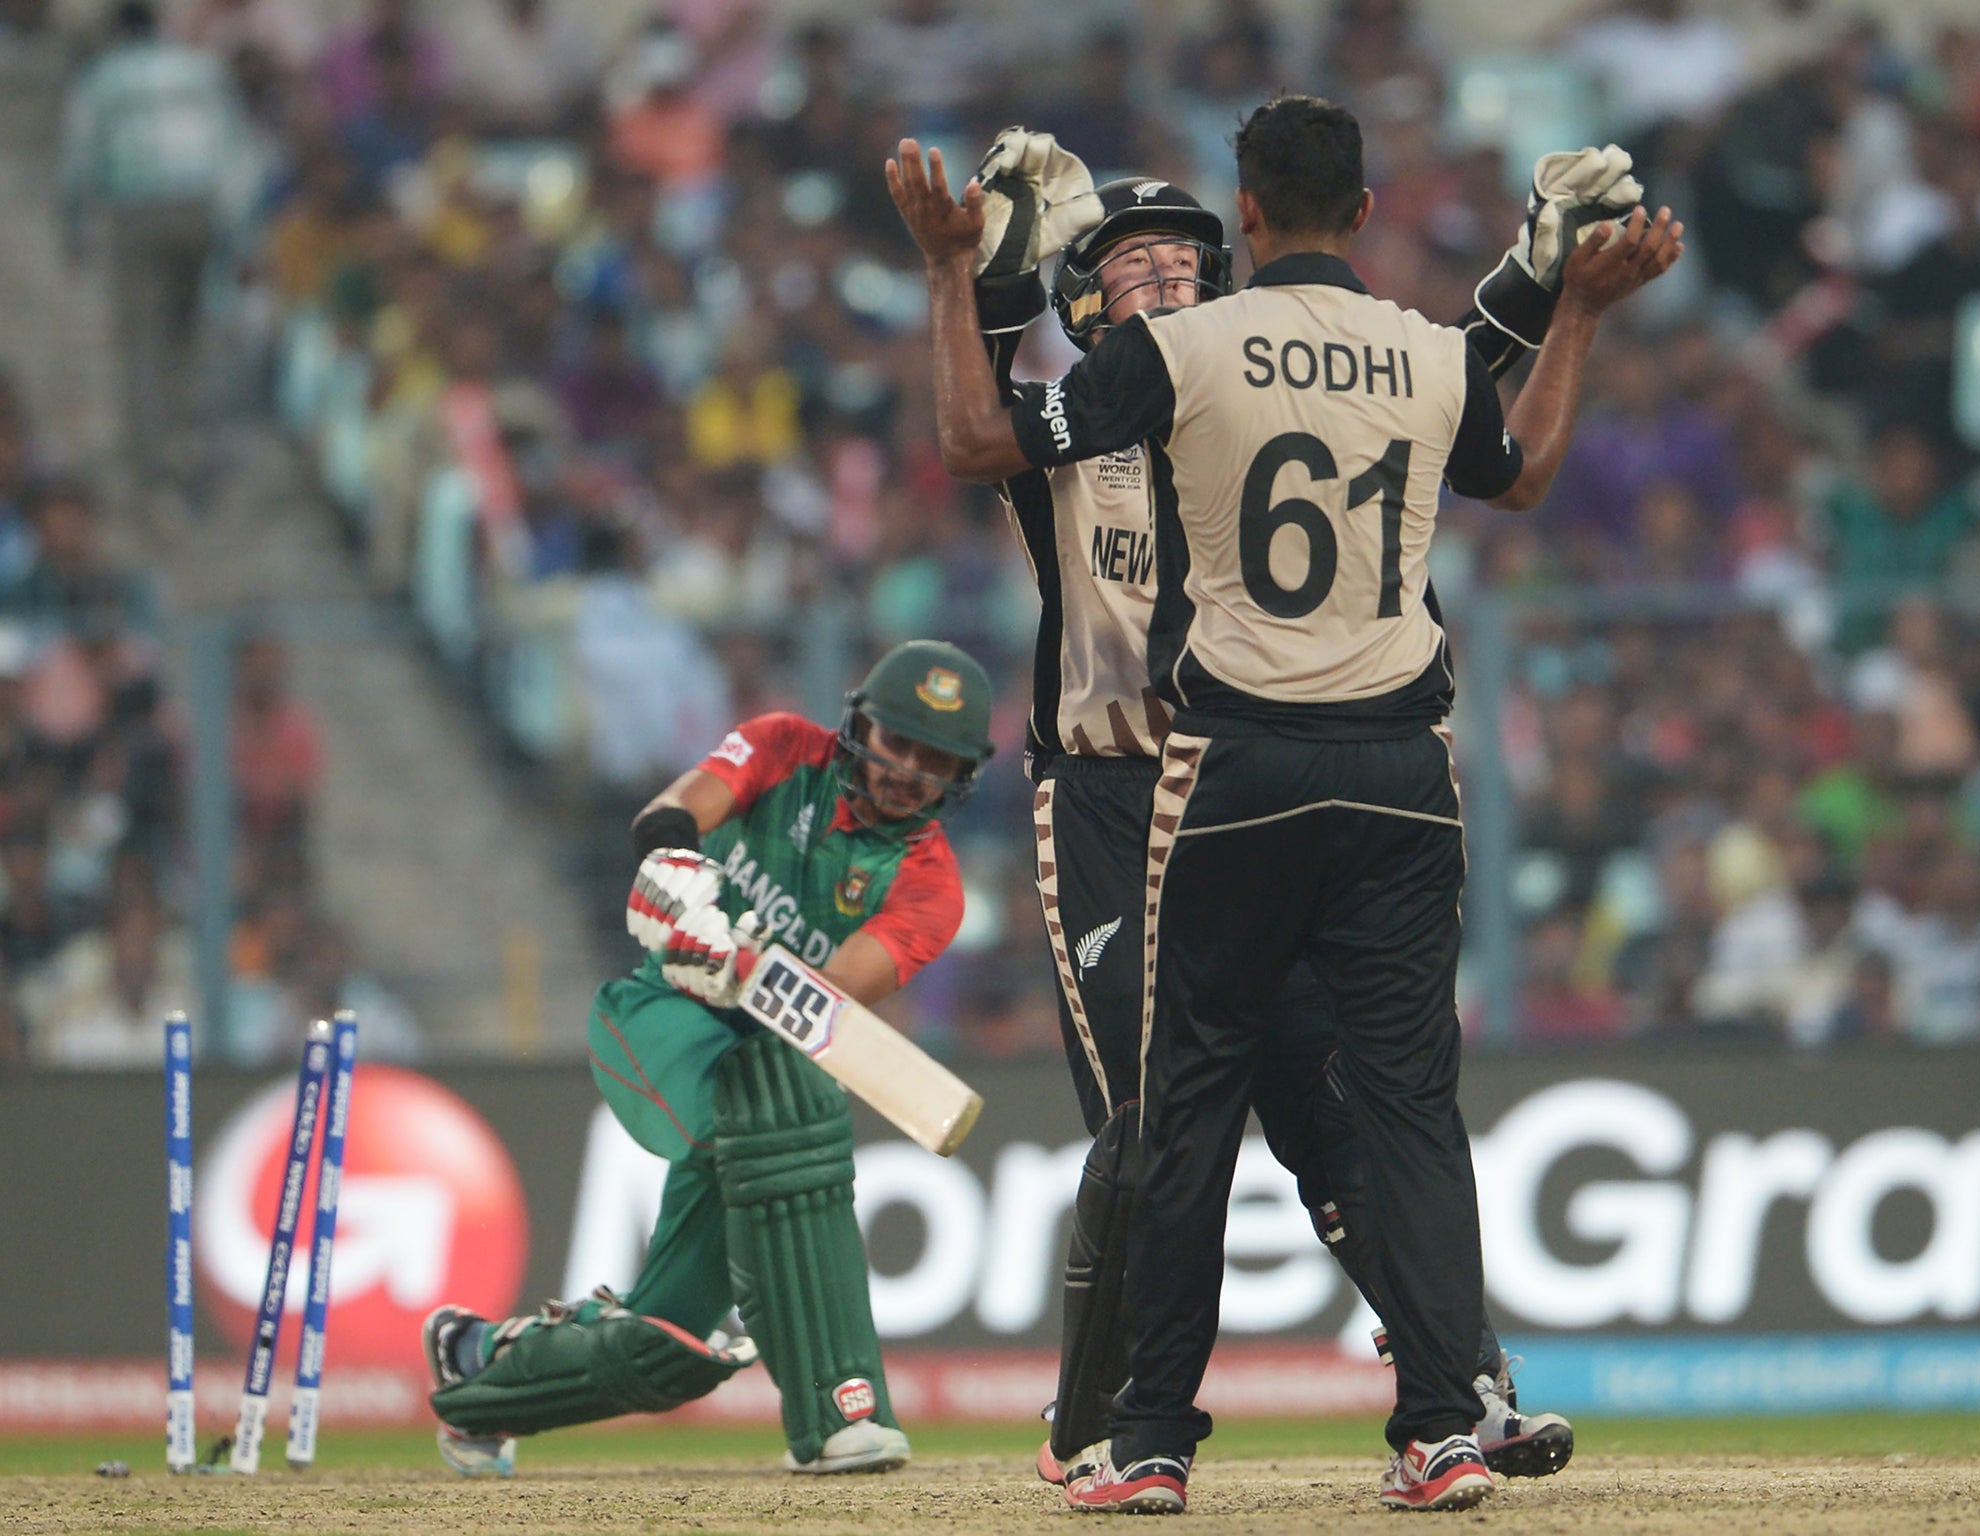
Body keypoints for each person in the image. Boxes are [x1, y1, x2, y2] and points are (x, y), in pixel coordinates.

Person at [891, 95, 1681, 1513]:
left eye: (1182, 255)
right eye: (1126, 266)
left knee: (1320, 1118)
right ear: (1083, 300)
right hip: (1128, 798)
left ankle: (1452, 1392)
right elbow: (1446, 379)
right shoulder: (1104, 407)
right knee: (1156, 1124)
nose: (1162, 275)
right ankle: (1103, 1421)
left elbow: (1423, 375)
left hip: (1229, 778)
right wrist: (991, 264)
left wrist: (1531, 280)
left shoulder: (1208, 368)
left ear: (1239, 240)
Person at [421, 639, 995, 1478]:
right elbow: (670, 815)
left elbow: (823, 1006)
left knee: (667, 1342)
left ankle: (478, 1368)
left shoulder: (931, 886)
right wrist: (673, 877)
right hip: (656, 1019)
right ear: (858, 725)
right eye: (895, 741)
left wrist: (739, 962)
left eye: (932, 757)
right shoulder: (784, 746)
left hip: (764, 1073)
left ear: (961, 773)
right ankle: (841, 1409)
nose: (906, 768)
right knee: (789, 1107)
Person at [59, 0, 254, 488]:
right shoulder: (199, 69)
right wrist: (239, 228)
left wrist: (74, 226)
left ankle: (152, 463)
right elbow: (233, 146)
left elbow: (80, 154)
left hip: (138, 211)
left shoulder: (103, 78)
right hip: (199, 204)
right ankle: (201, 445)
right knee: (195, 327)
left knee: (142, 339)